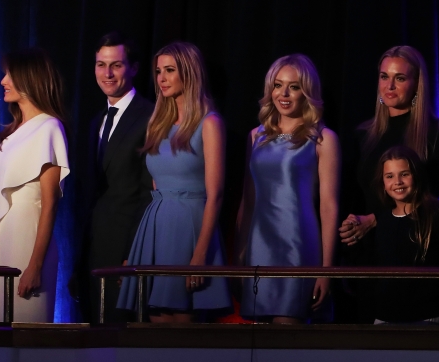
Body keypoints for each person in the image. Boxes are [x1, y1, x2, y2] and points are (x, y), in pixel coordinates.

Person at [335, 45, 439, 323]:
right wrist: (351, 226)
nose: (389, 85)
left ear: (416, 84)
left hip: (409, 254)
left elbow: (427, 198)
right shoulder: (363, 134)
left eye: (400, 78)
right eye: (384, 76)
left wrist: (374, 220)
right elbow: (352, 194)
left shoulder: (432, 134)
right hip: (365, 251)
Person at [117, 42, 231, 321]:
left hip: (190, 227)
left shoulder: (210, 122)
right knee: (155, 318)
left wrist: (200, 253)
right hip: (155, 226)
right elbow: (155, 186)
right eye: (158, 71)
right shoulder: (157, 123)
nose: (162, 78)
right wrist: (136, 251)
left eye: (170, 70)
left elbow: (215, 194)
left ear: (189, 74)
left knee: (183, 320)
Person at [235, 54, 340, 322]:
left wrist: (326, 270)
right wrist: (238, 254)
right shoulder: (255, 136)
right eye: (277, 85)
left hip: (297, 247)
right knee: (256, 344)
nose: (283, 93)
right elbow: (248, 200)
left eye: (293, 86)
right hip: (259, 247)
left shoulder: (322, 139)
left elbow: (329, 207)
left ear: (306, 92)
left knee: (287, 335)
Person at [0, 48, 70, 323]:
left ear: (29, 79)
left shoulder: (49, 127)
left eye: (10, 75)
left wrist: (35, 265)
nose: (3, 81)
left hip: (30, 243)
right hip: (3, 245)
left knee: (27, 331)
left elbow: (50, 204)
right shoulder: (10, 134)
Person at [71, 32, 155, 324]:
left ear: (133, 68)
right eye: (100, 65)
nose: (107, 73)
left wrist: (133, 251)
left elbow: (148, 193)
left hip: (126, 250)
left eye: (116, 65)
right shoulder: (97, 119)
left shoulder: (150, 116)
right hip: (94, 249)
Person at [370, 145, 439, 324]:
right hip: (385, 318)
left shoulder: (436, 215)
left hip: (427, 317)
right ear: (383, 182)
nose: (398, 181)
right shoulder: (384, 220)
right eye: (390, 176)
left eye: (404, 174)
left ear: (416, 175)